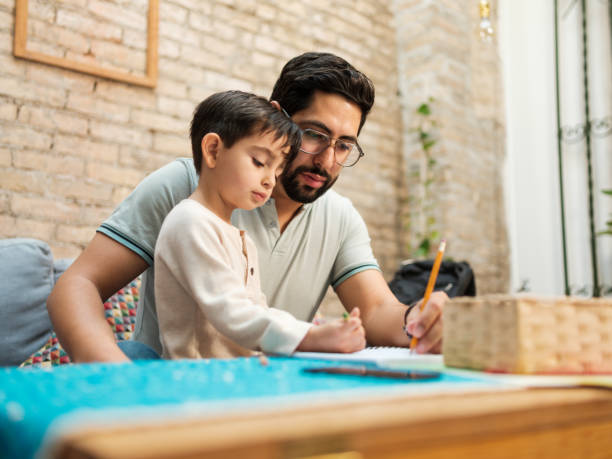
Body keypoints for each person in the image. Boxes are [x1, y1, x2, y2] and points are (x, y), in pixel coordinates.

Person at [47, 52, 447, 363]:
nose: (326, 161)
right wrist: (114, 374)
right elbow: (77, 286)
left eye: (343, 146)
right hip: (167, 382)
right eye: (314, 135)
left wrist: (422, 317)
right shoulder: (185, 186)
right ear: (279, 117)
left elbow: (377, 310)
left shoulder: (340, 218)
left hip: (262, 390)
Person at [155, 90, 365, 358]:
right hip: (196, 381)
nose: (270, 181)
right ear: (213, 150)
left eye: (276, 170)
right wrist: (311, 336)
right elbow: (233, 313)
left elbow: (257, 312)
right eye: (259, 162)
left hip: (237, 376)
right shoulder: (190, 222)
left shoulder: (238, 237)